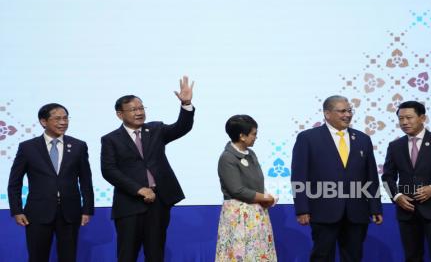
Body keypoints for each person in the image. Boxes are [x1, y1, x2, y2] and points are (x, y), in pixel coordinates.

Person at [101, 76, 194, 262]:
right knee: (127, 254)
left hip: (158, 203)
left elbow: (181, 127)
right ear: (120, 114)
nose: (139, 112)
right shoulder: (111, 139)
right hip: (129, 204)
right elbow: (109, 170)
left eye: (141, 108)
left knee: (156, 253)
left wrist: (186, 105)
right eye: (134, 109)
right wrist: (138, 189)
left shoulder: (156, 129)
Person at [291, 95, 383, 262]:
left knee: (354, 256)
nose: (347, 115)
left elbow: (371, 176)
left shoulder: (363, 139)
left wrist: (375, 207)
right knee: (322, 256)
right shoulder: (308, 138)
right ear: (327, 114)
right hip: (323, 210)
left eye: (349, 111)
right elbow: (299, 175)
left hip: (357, 212)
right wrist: (302, 209)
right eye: (342, 111)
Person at [7, 103, 94, 262]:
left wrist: (87, 209)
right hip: (37, 212)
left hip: (70, 212)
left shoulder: (78, 146)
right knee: (37, 257)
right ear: (43, 122)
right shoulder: (27, 147)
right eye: (58, 119)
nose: (63, 122)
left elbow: (86, 180)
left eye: (66, 118)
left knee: (68, 257)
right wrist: (17, 210)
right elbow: (14, 182)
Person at [381, 101, 431, 262]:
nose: (404, 122)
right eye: (401, 118)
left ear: (422, 118)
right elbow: (387, 177)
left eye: (409, 117)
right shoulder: (395, 146)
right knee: (412, 257)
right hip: (407, 211)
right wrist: (397, 196)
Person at [215, 114, 277, 262]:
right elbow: (237, 190)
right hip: (238, 214)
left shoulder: (251, 154)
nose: (256, 137)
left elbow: (256, 182)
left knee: (259, 253)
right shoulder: (227, 158)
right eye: (254, 134)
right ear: (242, 136)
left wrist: (265, 196)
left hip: (256, 213)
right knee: (240, 253)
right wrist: (265, 198)